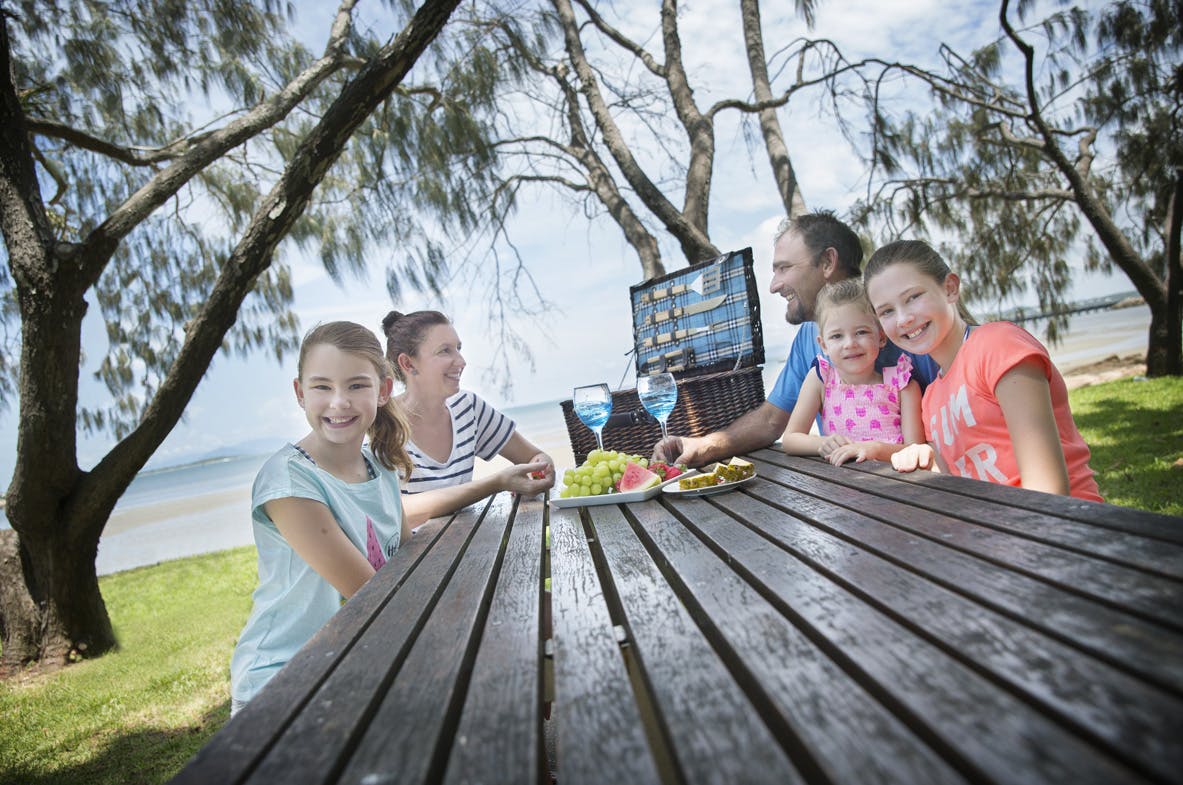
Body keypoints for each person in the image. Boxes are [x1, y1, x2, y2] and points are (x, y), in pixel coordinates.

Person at [653, 210, 939, 467]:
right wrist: (703, 446)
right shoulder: (809, 336)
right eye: (836, 336)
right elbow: (771, 420)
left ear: (828, 262)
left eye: (784, 268)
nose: (774, 285)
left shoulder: (906, 325)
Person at [230, 321, 414, 714]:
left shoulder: (380, 467)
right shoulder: (289, 481)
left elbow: (407, 565)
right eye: (322, 386)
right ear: (300, 393)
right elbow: (373, 597)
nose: (339, 402)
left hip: (356, 661)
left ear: (383, 390)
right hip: (283, 680)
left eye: (356, 385)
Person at [863, 239, 1103, 501]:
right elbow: (960, 479)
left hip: (1065, 530)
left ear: (950, 289)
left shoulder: (998, 345)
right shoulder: (931, 397)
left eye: (913, 297)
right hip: (992, 530)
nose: (903, 319)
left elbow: (1048, 492)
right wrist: (899, 454)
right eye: (886, 311)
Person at [381, 310, 554, 529]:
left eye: (458, 349)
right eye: (444, 351)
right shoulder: (382, 424)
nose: (461, 361)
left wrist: (540, 472)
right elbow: (396, 512)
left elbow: (534, 456)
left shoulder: (467, 407)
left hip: (466, 550)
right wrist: (496, 483)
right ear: (408, 364)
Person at [781, 279, 924, 465]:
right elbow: (791, 439)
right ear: (823, 345)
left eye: (861, 332)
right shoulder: (821, 379)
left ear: (881, 337)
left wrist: (875, 449)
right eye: (837, 336)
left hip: (895, 486)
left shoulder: (902, 385)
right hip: (841, 485)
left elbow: (917, 450)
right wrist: (822, 443)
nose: (850, 344)